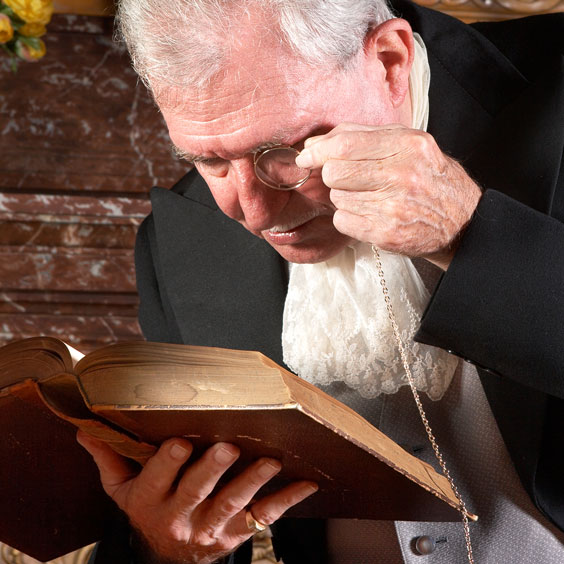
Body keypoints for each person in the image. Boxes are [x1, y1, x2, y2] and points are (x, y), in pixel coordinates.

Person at [78, 0, 564, 562]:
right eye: (209, 161)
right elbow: (175, 521)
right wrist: (163, 547)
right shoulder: (176, 244)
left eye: (281, 151)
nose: (255, 215)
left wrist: (470, 232)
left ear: (389, 61)